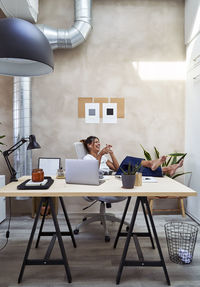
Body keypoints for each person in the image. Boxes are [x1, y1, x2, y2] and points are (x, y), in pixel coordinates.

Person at [81, 136, 184, 177]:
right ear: (89, 145)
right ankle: (154, 164)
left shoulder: (103, 158)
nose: (99, 144)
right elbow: (93, 172)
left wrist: (111, 154)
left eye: (99, 142)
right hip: (102, 179)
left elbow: (117, 169)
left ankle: (167, 168)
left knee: (137, 169)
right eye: (96, 142)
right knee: (128, 160)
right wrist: (100, 154)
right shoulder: (87, 158)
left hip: (114, 176)